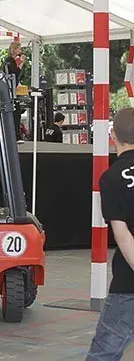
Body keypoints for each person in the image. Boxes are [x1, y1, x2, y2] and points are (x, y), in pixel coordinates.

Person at [86, 107, 134, 360]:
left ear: (112, 135)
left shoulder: (112, 178)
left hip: (129, 283)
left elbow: (123, 235)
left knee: (104, 352)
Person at [4, 41, 27, 143]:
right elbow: (14, 73)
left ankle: (16, 135)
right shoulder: (9, 61)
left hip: (13, 89)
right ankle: (15, 136)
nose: (20, 51)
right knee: (15, 112)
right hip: (10, 90)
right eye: (19, 49)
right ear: (14, 49)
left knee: (17, 112)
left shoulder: (12, 60)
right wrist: (21, 63)